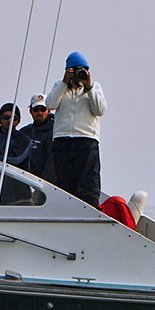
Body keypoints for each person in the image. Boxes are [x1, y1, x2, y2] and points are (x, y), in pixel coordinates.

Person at [46, 52, 106, 207]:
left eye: (84, 70)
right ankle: (66, 210)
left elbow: (100, 110)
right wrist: (64, 82)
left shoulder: (95, 88)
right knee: (64, 182)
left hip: (86, 139)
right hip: (63, 139)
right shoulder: (60, 87)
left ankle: (90, 210)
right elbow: (50, 105)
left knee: (88, 182)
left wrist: (89, 87)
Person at [19, 93, 55, 181]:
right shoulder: (25, 132)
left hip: (45, 185)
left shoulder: (55, 133)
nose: (39, 113)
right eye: (36, 109)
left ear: (48, 110)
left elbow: (52, 164)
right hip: (24, 182)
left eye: (43, 109)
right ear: (30, 111)